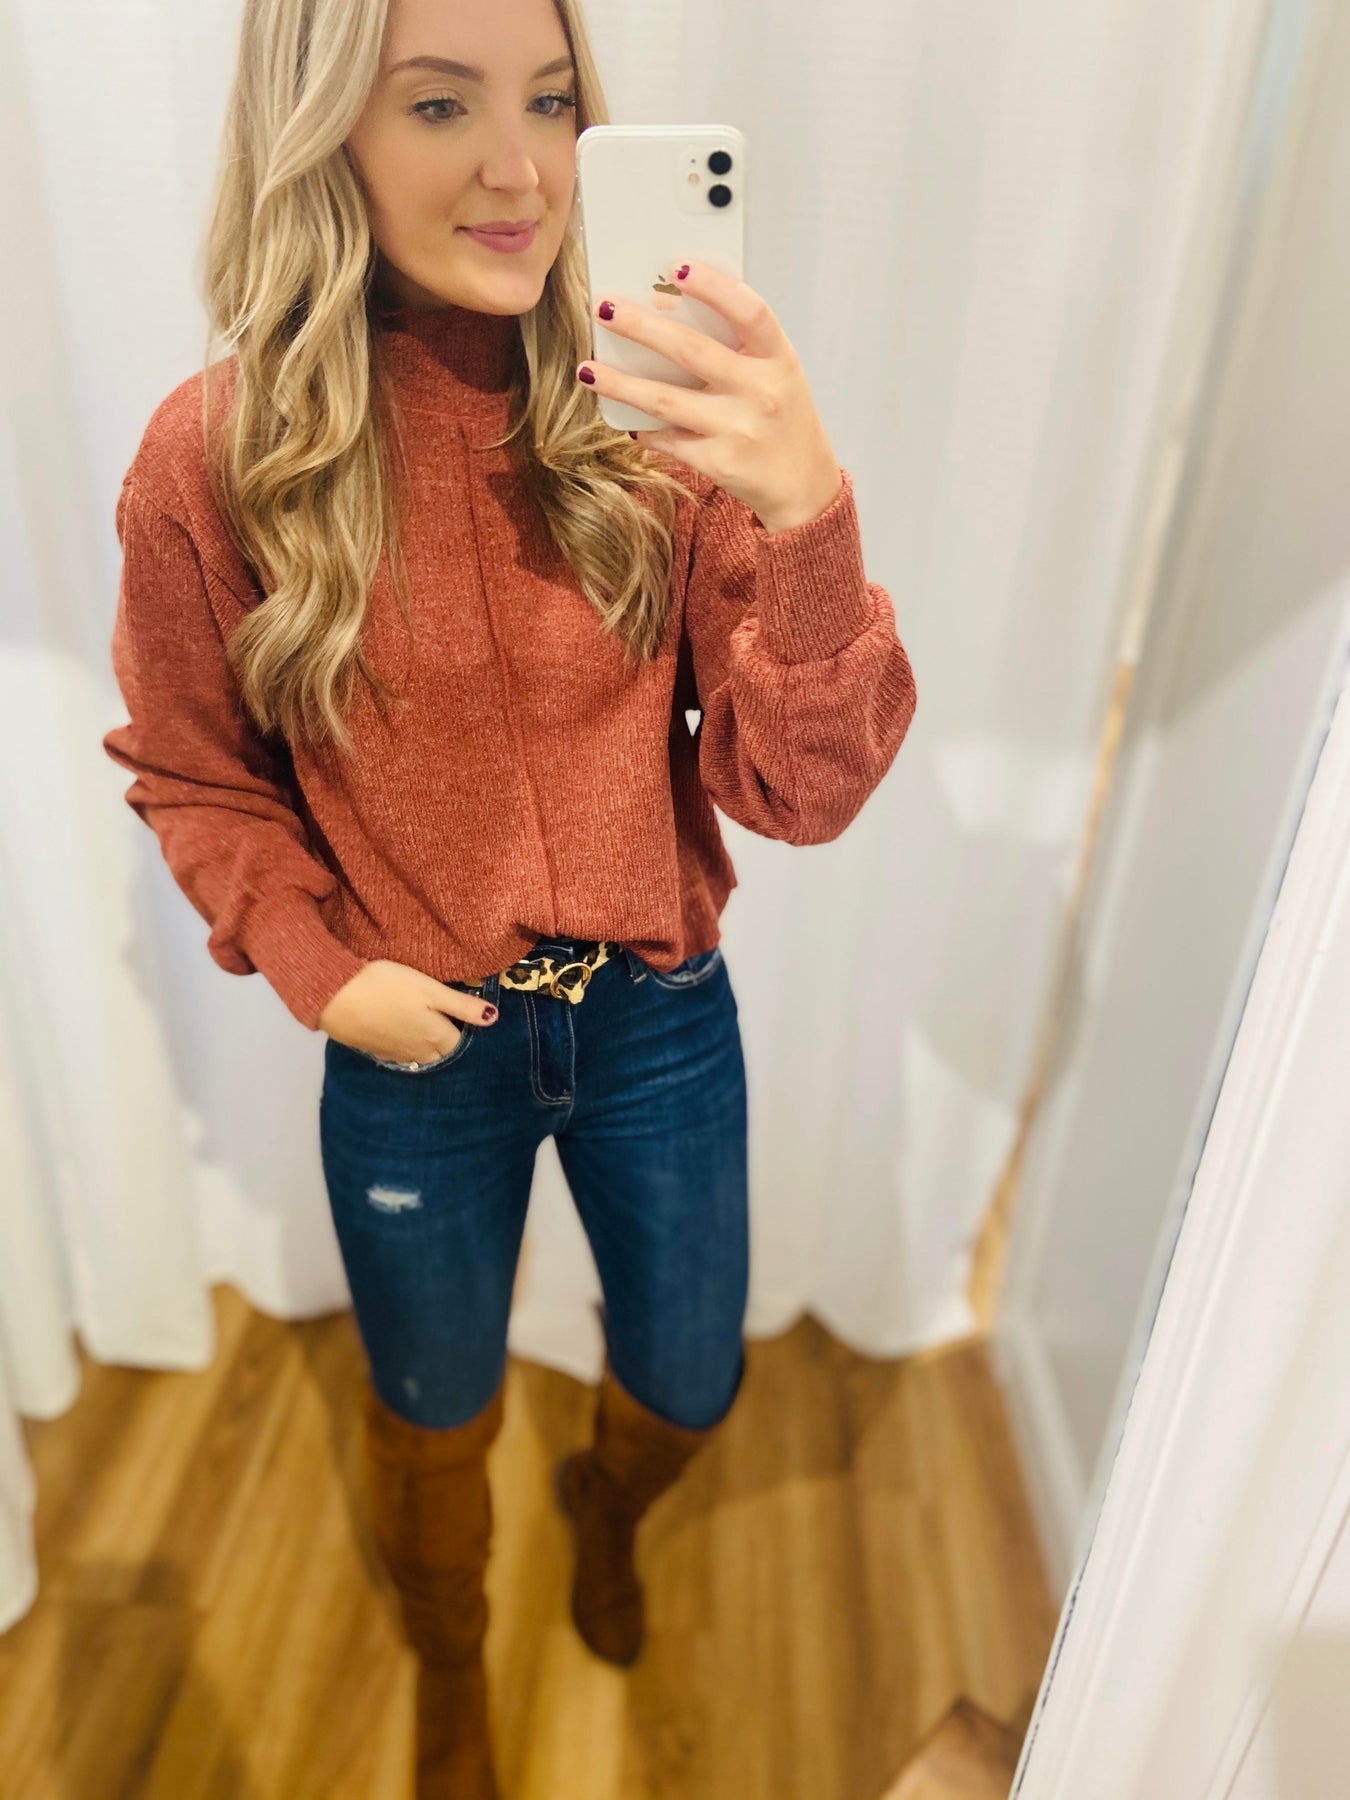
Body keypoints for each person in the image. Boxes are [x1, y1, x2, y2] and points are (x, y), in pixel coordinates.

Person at [101, 0, 917, 1793]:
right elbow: (191, 767)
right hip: (416, 1048)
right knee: (430, 1409)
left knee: (690, 1379)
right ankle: (453, 1663)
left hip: (654, 1020)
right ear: (321, 131)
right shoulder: (214, 456)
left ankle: (607, 1514)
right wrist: (321, 969)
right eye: (437, 105)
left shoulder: (652, 410)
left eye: (550, 101)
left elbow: (804, 792)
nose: (519, 168)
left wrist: (805, 512)